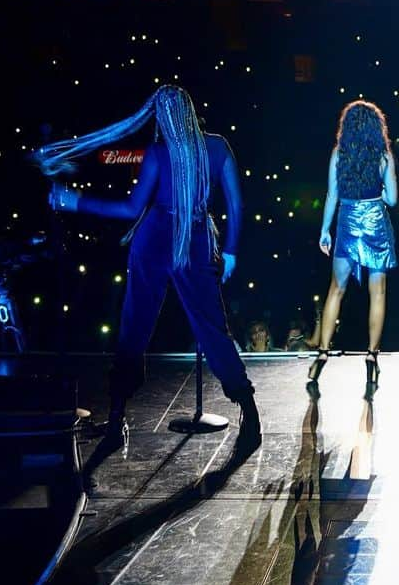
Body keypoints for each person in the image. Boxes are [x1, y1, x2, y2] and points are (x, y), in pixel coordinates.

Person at [36, 84, 259, 449]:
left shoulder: (159, 152)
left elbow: (129, 210)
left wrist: (74, 201)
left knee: (135, 324)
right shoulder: (217, 146)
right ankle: (250, 413)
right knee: (212, 328)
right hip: (194, 239)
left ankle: (117, 417)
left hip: (156, 238)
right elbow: (237, 206)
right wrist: (231, 251)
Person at [307, 100, 398, 395]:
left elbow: (331, 196)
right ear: (376, 128)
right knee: (378, 292)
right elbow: (394, 200)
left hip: (347, 222)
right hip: (374, 221)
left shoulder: (338, 154)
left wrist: (324, 230)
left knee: (336, 289)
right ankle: (372, 357)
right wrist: (381, 193)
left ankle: (322, 352)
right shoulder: (384, 156)